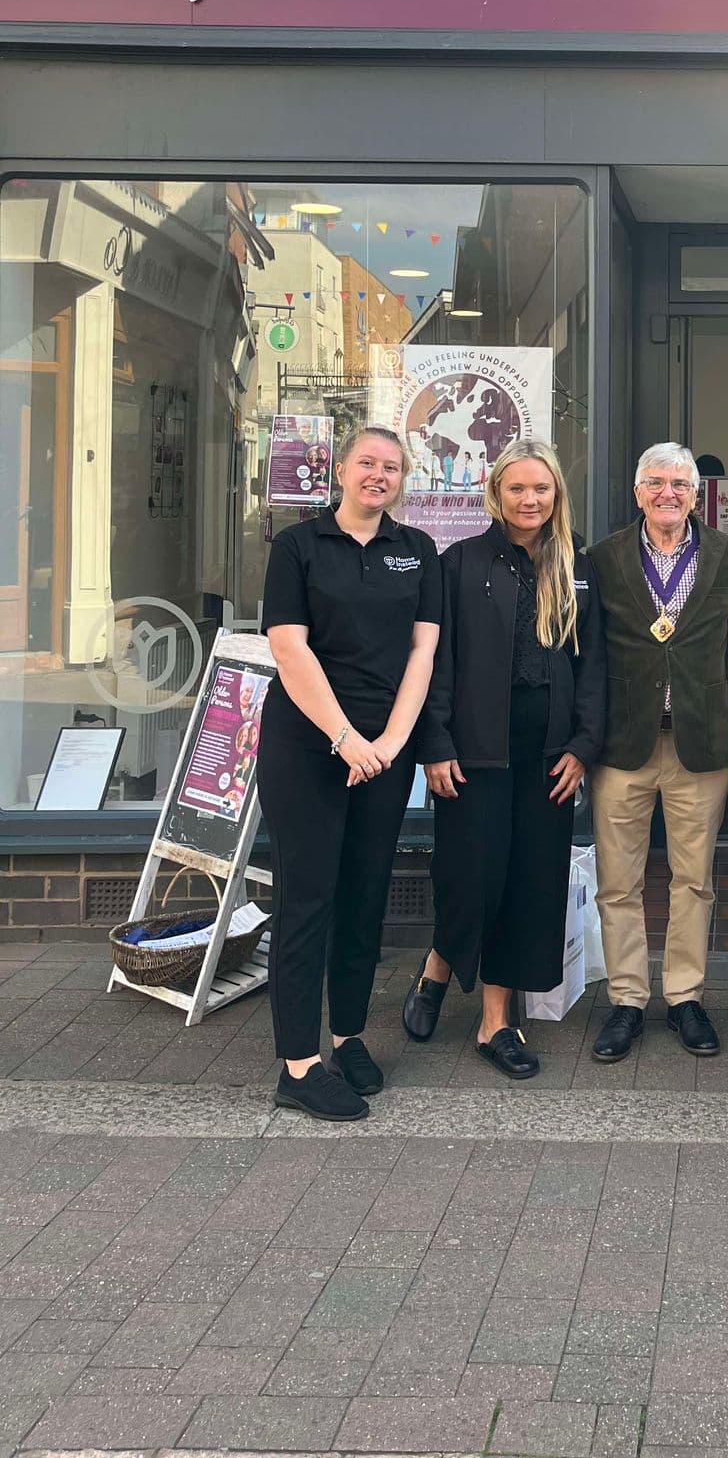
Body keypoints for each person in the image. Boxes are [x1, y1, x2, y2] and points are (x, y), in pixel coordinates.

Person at [256, 425, 442, 1121]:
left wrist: (389, 741)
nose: (379, 475)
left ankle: (349, 1037)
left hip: (383, 754)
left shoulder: (417, 550)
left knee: (364, 896)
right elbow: (289, 648)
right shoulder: (297, 546)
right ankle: (299, 1065)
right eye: (367, 463)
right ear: (340, 470)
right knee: (307, 899)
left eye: (392, 467)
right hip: (307, 747)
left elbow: (423, 653)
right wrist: (344, 738)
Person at [406, 440, 605, 1079]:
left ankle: (496, 1022)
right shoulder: (459, 563)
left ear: (557, 495)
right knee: (471, 878)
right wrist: (435, 743)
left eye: (541, 489)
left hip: (548, 755)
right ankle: (440, 962)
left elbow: (593, 665)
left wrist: (583, 746)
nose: (530, 500)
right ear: (495, 493)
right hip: (474, 753)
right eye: (517, 488)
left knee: (527, 884)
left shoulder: (577, 566)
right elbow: (436, 663)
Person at [586, 443, 728, 1060]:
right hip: (622, 743)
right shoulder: (603, 558)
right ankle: (627, 1000)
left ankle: (685, 997)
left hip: (698, 743)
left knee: (694, 880)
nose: (668, 493)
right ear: (637, 492)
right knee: (617, 883)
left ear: (696, 494)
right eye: (655, 482)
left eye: (680, 484)